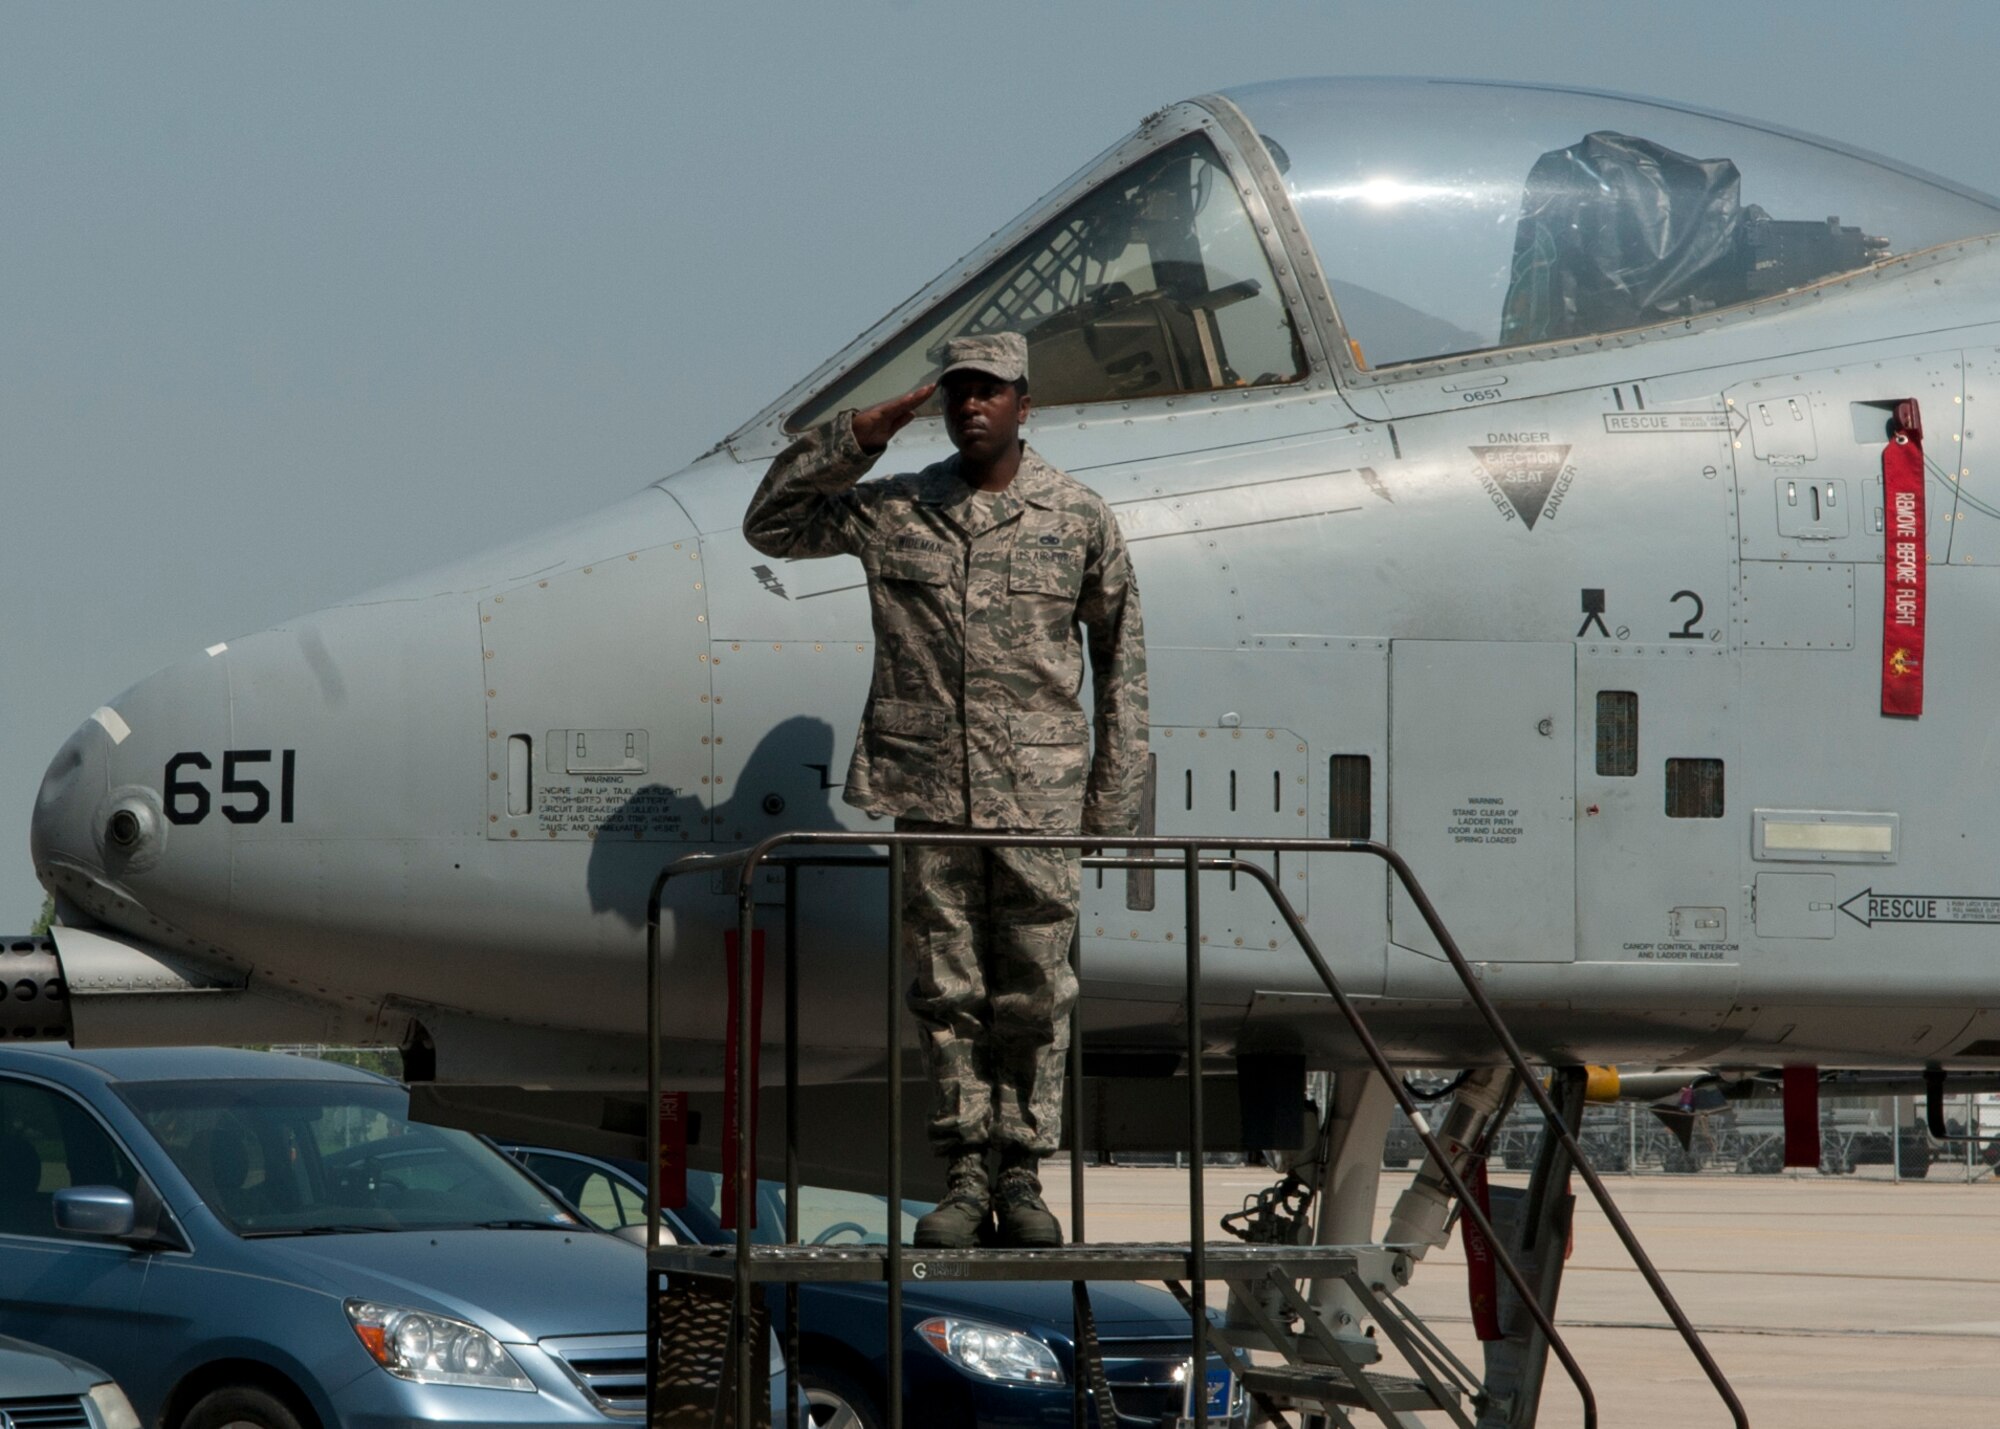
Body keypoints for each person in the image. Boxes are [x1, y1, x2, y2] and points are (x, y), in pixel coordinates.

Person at [743, 332, 1147, 1248]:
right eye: (959, 390)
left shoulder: (1077, 516)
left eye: (991, 391)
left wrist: (1110, 805)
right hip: (931, 788)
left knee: (1037, 990)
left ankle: (1024, 1172)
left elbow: (1123, 659)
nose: (973, 405)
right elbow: (771, 523)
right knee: (947, 989)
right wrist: (859, 432)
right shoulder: (896, 509)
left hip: (1039, 799)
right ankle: (966, 1170)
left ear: (1022, 403)